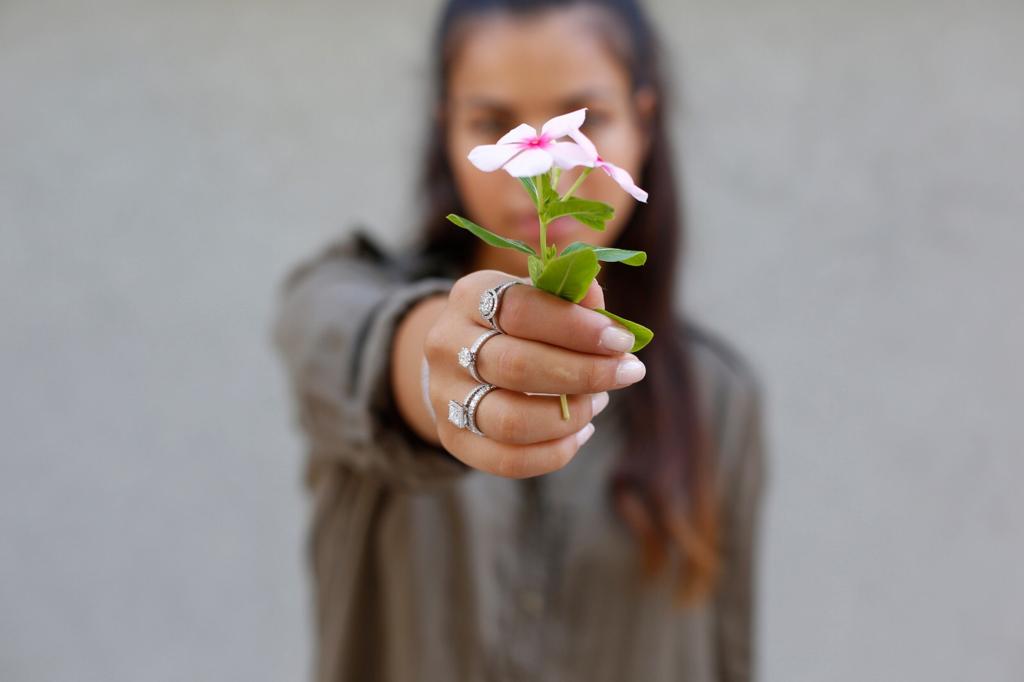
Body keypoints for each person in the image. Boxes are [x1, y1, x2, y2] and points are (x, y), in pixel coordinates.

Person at [271, 1, 769, 680]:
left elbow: (726, 654)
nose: (549, 152)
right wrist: (439, 370)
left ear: (644, 118)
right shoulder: (337, 294)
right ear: (446, 127)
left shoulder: (718, 399)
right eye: (493, 121)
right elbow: (362, 351)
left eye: (585, 121)